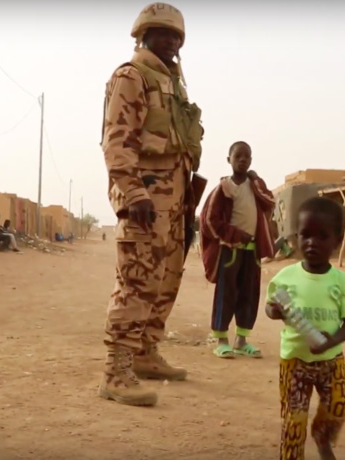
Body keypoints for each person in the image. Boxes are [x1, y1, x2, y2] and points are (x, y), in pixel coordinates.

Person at [98, 2, 205, 407]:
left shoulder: (173, 84)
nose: (172, 42)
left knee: (166, 279)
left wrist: (187, 203)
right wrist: (134, 192)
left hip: (174, 200)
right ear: (143, 36)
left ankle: (144, 352)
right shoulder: (132, 76)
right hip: (145, 196)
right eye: (163, 34)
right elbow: (117, 141)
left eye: (176, 36)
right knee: (137, 279)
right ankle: (116, 371)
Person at [265, 197, 345, 460]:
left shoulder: (342, 282)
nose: (311, 243)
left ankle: (322, 436)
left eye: (322, 236)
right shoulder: (285, 277)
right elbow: (271, 308)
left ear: (336, 241)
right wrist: (274, 311)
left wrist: (331, 341)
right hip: (294, 362)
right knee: (293, 420)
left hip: (331, 361)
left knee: (338, 406)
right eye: (305, 235)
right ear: (296, 237)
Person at [199, 141, 275, 359]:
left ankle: (241, 341)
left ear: (251, 161)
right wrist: (236, 235)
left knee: (249, 295)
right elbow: (210, 221)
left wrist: (256, 179)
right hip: (230, 251)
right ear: (229, 160)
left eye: (247, 157)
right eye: (238, 156)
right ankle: (222, 340)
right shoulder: (224, 188)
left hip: (252, 252)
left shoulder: (255, 187)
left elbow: (270, 201)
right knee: (226, 294)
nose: (243, 160)